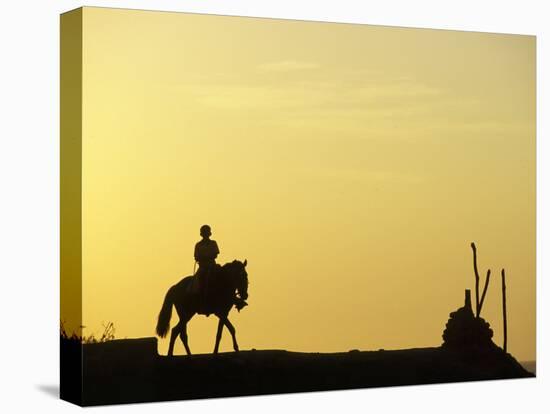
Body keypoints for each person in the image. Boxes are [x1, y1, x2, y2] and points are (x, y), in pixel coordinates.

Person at [193, 225, 220, 307]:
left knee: (224, 276)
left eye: (207, 232)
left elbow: (215, 254)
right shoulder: (198, 245)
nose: (206, 234)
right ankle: (200, 298)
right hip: (203, 267)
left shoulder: (213, 243)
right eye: (204, 232)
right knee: (198, 281)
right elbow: (196, 256)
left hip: (212, 266)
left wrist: (207, 256)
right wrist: (203, 258)